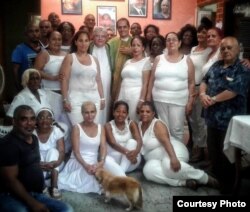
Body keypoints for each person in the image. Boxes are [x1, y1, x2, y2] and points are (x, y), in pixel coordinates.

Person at [199, 36, 250, 194]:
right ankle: (218, 181)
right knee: (213, 151)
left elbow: (233, 91)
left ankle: (229, 189)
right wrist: (202, 94)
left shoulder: (242, 69)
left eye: (229, 48)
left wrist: (212, 99)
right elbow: (204, 80)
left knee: (227, 154)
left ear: (237, 50)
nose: (225, 50)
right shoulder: (216, 65)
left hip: (229, 121)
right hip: (212, 118)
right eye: (223, 48)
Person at [0, 105, 73, 212]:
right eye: (24, 119)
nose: (29, 123)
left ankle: (53, 187)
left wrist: (42, 188)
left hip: (35, 192)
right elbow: (10, 181)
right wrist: (33, 203)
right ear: (14, 121)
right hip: (10, 194)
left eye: (32, 119)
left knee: (67, 209)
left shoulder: (33, 138)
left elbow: (34, 165)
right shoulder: (8, 145)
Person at [138, 101, 219, 189]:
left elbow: (166, 142)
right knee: (148, 171)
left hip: (173, 150)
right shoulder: (139, 125)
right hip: (155, 159)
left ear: (153, 113)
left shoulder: (157, 124)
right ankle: (183, 182)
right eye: (142, 111)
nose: (144, 113)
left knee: (169, 167)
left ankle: (204, 178)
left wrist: (173, 158)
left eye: (148, 111)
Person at [58, 101, 125, 194]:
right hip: (79, 161)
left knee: (110, 168)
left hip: (94, 162)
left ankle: (125, 182)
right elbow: (76, 152)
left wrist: (101, 162)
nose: (90, 115)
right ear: (82, 113)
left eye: (92, 112)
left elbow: (103, 147)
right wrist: (86, 166)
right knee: (95, 178)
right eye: (86, 112)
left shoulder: (100, 127)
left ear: (96, 112)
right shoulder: (76, 128)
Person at [146, 32, 195, 142]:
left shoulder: (187, 60)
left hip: (178, 101)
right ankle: (165, 154)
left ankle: (177, 154)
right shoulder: (159, 59)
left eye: (174, 39)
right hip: (159, 99)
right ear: (166, 43)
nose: (171, 42)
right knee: (163, 128)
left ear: (179, 43)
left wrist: (191, 101)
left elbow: (191, 83)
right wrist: (148, 97)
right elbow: (151, 80)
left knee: (176, 129)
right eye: (168, 40)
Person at [60, 30, 105, 126]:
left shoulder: (94, 59)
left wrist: (102, 98)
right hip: (75, 100)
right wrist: (65, 99)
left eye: (86, 40)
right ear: (75, 42)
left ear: (89, 42)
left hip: (94, 99)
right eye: (80, 41)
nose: (83, 44)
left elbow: (98, 80)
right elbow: (64, 79)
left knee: (94, 128)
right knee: (78, 129)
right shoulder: (70, 57)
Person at [188, 24, 212, 163]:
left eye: (204, 33)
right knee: (193, 120)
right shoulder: (193, 49)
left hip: (203, 89)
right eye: (199, 32)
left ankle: (205, 150)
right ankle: (197, 146)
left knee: (202, 121)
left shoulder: (210, 50)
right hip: (192, 88)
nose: (201, 35)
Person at [117, 36, 151, 122]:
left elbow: (145, 83)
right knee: (122, 120)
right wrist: (117, 97)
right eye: (133, 45)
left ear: (143, 48)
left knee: (133, 120)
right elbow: (122, 80)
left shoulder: (146, 62)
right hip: (123, 93)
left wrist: (141, 100)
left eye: (138, 45)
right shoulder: (128, 62)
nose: (135, 48)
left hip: (135, 95)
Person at [34, 108, 65, 199]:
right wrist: (37, 164)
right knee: (36, 153)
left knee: (53, 151)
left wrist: (56, 163)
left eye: (48, 117)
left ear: (52, 120)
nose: (45, 120)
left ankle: (54, 186)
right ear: (37, 120)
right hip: (37, 165)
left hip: (54, 166)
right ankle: (43, 187)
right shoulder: (32, 132)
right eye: (41, 117)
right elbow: (28, 153)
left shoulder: (56, 131)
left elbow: (62, 151)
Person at [105, 100, 142, 173]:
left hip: (132, 161)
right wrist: (129, 154)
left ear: (127, 114)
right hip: (115, 160)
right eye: (118, 111)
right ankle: (122, 173)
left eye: (124, 112)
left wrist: (135, 154)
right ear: (113, 112)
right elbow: (113, 143)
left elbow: (139, 141)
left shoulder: (131, 123)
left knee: (132, 142)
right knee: (106, 160)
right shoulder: (108, 126)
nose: (120, 114)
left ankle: (120, 173)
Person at [88, 27, 112, 124]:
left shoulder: (109, 47)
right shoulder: (89, 47)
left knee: (104, 104)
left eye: (103, 36)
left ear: (106, 38)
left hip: (106, 82)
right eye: (97, 36)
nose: (100, 38)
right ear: (93, 37)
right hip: (91, 81)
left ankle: (102, 127)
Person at [11, 22, 41, 91]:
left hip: (41, 87)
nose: (34, 34)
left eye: (37, 31)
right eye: (31, 31)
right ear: (26, 34)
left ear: (40, 33)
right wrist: (19, 88)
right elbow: (15, 71)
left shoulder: (43, 49)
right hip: (26, 87)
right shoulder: (19, 49)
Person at [108, 18, 132, 102]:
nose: (122, 29)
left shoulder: (135, 42)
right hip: (114, 79)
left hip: (130, 80)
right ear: (117, 28)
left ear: (129, 27)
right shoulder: (111, 43)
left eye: (124, 27)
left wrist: (132, 52)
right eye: (119, 27)